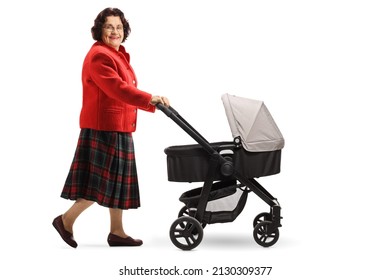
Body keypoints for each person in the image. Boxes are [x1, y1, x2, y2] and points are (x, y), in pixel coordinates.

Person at [52, 7, 170, 248]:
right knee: (99, 184)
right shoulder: (99, 56)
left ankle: (117, 231)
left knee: (117, 182)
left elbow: (123, 90)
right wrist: (151, 99)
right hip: (103, 127)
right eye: (109, 27)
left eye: (118, 27)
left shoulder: (118, 54)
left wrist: (150, 102)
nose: (115, 31)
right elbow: (117, 88)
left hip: (119, 126)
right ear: (99, 30)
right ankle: (65, 220)